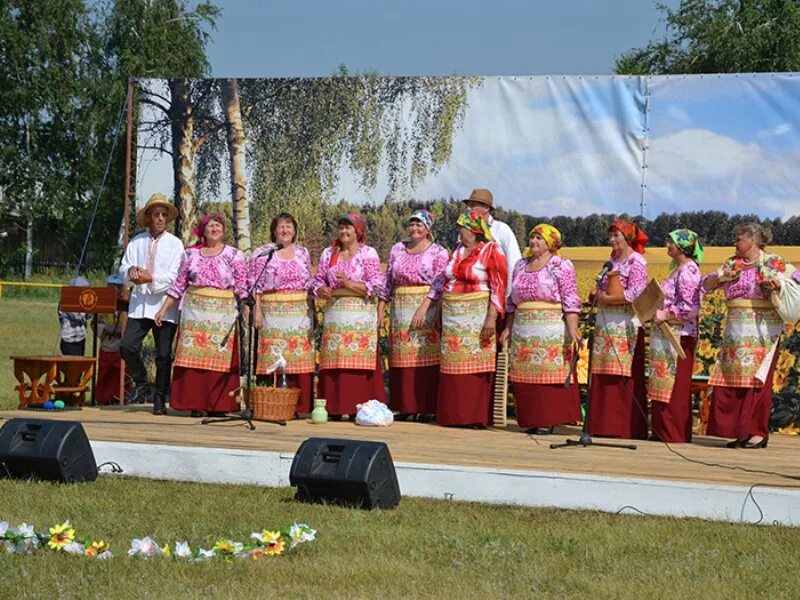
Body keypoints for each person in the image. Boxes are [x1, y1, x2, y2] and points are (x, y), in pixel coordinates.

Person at [702, 223, 800, 449]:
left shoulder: (773, 262)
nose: (735, 243)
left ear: (753, 240)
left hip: (763, 332)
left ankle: (757, 432)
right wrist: (721, 278)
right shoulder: (731, 263)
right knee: (735, 382)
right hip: (735, 332)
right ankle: (740, 431)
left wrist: (778, 285)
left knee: (757, 382)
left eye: (738, 239)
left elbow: (797, 277)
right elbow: (705, 285)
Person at [418, 209, 507, 427]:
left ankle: (473, 416)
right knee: (452, 365)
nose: (460, 232)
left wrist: (491, 318)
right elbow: (445, 281)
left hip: (477, 314)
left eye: (463, 228)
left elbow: (498, 286)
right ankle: (452, 415)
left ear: (475, 230)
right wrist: (438, 310)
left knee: (474, 365)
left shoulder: (491, 250)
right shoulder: (457, 250)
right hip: (452, 316)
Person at [155, 212, 247, 417]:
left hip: (222, 314)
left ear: (224, 230)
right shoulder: (190, 255)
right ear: (203, 231)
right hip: (194, 312)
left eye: (218, 226)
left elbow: (242, 285)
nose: (214, 229)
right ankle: (195, 404)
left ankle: (219, 405)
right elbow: (179, 285)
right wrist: (163, 309)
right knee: (193, 360)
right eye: (210, 226)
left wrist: (245, 305)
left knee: (219, 359)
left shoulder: (234, 255)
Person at [499, 224, 581, 435]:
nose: (534, 241)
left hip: (549, 330)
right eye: (532, 237)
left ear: (551, 243)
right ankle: (529, 419)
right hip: (523, 329)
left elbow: (570, 299)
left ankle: (547, 419)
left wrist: (573, 328)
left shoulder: (560, 265)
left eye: (539, 238)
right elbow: (511, 301)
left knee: (547, 376)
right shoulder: (520, 265)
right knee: (526, 377)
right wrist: (508, 328)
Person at [377, 209, 449, 421]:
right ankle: (405, 406)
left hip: (425, 306)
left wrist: (426, 307)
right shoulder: (398, 249)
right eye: (412, 224)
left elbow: (440, 283)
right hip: (400, 308)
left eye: (420, 225)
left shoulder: (438, 252)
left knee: (424, 357)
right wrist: (381, 309)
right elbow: (387, 281)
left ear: (428, 229)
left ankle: (426, 407)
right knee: (401, 358)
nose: (415, 228)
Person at [312, 214, 386, 418]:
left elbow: (376, 284)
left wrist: (348, 284)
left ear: (358, 231)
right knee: (335, 362)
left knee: (357, 360)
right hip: (335, 315)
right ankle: (334, 407)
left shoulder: (368, 253)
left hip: (359, 315)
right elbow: (317, 280)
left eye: (348, 228)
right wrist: (321, 290)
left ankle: (360, 408)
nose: (344, 232)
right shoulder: (329, 253)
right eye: (341, 228)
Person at [119, 193, 184, 414]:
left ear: (167, 219)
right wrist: (131, 272)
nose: (159, 218)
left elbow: (177, 277)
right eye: (155, 214)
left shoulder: (175, 245)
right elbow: (123, 268)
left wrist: (152, 278)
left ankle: (159, 397)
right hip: (140, 304)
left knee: (163, 355)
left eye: (163, 215)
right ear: (148, 218)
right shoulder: (137, 241)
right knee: (127, 346)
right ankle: (142, 383)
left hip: (164, 307)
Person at [587, 219, 649, 440]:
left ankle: (621, 426)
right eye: (610, 236)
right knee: (604, 373)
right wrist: (597, 294)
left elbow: (636, 293)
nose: (611, 240)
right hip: (606, 326)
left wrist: (608, 298)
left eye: (616, 236)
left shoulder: (636, 262)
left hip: (625, 325)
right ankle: (601, 424)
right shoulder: (611, 261)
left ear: (628, 238)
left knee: (622, 375)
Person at [249, 212, 315, 414]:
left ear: (294, 231)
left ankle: (299, 405)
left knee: (298, 357)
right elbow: (255, 285)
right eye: (281, 226)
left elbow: (308, 283)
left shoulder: (303, 253)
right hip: (272, 314)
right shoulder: (262, 253)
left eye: (289, 226)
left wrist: (313, 311)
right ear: (274, 230)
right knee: (271, 356)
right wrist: (256, 312)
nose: (285, 230)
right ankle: (269, 405)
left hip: (299, 314)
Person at [648, 229, 703, 443]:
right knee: (663, 380)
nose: (667, 245)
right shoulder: (677, 269)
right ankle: (662, 429)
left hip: (680, 335)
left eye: (670, 242)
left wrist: (667, 314)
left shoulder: (688, 270)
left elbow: (691, 307)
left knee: (676, 384)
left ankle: (674, 432)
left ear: (681, 246)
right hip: (666, 332)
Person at [463, 188, 521, 297]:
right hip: (466, 296)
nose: (469, 209)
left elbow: (513, 264)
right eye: (469, 205)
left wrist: (507, 299)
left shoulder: (502, 229)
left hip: (494, 295)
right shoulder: (465, 232)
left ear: (486, 208)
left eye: (473, 205)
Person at [93, 274, 131, 405]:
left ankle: (120, 397)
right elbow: (96, 323)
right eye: (112, 287)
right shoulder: (102, 303)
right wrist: (104, 331)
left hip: (121, 343)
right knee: (105, 372)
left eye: (118, 287)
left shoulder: (127, 304)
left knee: (121, 373)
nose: (115, 290)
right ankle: (103, 398)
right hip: (107, 342)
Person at [57, 276, 90, 356]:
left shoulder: (81, 303)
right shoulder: (66, 301)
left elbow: (89, 316)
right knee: (73, 367)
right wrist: (88, 308)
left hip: (80, 338)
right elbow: (76, 316)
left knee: (79, 366)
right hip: (69, 341)